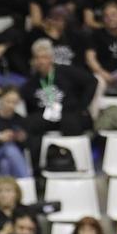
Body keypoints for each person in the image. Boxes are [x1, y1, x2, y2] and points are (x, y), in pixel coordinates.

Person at [20, 39, 95, 170]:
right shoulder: (32, 81)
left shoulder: (66, 72)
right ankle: (38, 168)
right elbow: (27, 99)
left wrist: (82, 106)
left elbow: (92, 82)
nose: (40, 61)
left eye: (44, 57)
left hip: (68, 112)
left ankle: (74, 164)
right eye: (37, 58)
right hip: (47, 115)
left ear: (51, 58)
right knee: (30, 124)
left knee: (71, 123)